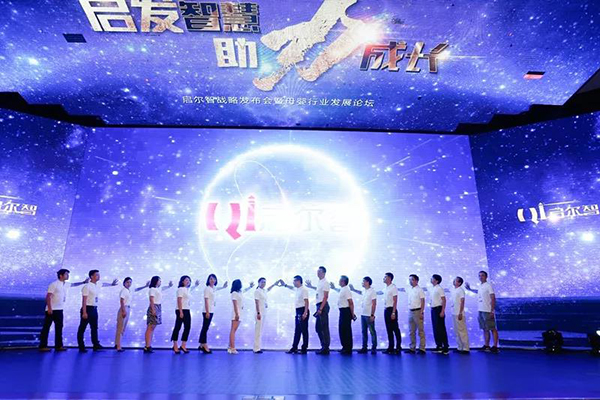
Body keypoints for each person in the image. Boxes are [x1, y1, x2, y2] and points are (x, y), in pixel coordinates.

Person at [39, 269, 87, 352]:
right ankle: (42, 346)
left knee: (59, 327)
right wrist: (49, 308)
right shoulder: (54, 284)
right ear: (61, 275)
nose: (68, 276)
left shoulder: (66, 284)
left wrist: (83, 282)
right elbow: (48, 296)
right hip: (51, 310)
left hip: (59, 309)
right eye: (66, 274)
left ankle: (59, 346)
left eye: (68, 274)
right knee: (46, 328)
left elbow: (74, 284)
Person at [77, 270, 118, 352]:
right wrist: (84, 312)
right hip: (87, 308)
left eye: (99, 275)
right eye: (96, 275)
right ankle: (81, 346)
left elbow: (104, 284)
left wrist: (112, 284)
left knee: (94, 328)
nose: (99, 276)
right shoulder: (87, 286)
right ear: (91, 276)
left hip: (94, 309)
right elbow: (84, 300)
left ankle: (96, 345)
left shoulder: (98, 284)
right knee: (82, 328)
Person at [466, 270, 499, 353]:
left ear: (486, 277)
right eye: (479, 275)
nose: (480, 277)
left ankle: (495, 346)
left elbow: (493, 298)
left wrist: (492, 310)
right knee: (485, 328)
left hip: (487, 310)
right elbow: (478, 292)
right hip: (481, 310)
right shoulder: (481, 286)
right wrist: (470, 289)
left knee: (492, 328)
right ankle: (486, 345)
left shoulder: (488, 286)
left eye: (482, 275)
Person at [115, 277, 149, 352]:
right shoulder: (124, 290)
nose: (129, 284)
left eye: (130, 282)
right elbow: (122, 301)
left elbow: (137, 289)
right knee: (120, 328)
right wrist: (123, 310)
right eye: (127, 282)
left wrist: (145, 286)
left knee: (122, 328)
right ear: (124, 283)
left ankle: (118, 344)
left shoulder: (129, 290)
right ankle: (118, 346)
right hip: (124, 309)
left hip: (127, 308)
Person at [199, 274, 228, 354]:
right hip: (207, 311)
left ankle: (201, 345)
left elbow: (217, 289)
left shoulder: (213, 288)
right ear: (208, 280)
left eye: (214, 279)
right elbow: (206, 300)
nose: (212, 280)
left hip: (211, 310)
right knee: (205, 328)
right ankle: (205, 345)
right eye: (211, 279)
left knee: (205, 328)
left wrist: (223, 287)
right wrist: (207, 311)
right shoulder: (207, 289)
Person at [170, 276, 200, 354]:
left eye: (189, 280)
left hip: (187, 309)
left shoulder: (187, 289)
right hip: (180, 310)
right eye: (186, 280)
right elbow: (179, 300)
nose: (188, 281)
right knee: (178, 327)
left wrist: (196, 285)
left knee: (187, 327)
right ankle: (175, 345)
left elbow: (191, 289)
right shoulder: (180, 289)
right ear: (182, 281)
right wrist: (180, 312)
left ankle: (183, 345)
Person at [144, 276, 173, 353]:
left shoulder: (157, 289)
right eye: (159, 281)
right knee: (150, 327)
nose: (160, 282)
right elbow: (151, 299)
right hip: (154, 307)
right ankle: (147, 346)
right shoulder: (152, 289)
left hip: (158, 307)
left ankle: (149, 345)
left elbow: (163, 288)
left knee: (152, 327)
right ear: (156, 281)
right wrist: (153, 309)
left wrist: (169, 285)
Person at [349, 276, 378, 354]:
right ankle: (364, 347)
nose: (362, 283)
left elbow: (374, 304)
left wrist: (372, 315)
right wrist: (353, 289)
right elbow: (360, 292)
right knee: (364, 332)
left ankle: (374, 348)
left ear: (367, 282)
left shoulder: (372, 291)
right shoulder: (364, 290)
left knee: (372, 332)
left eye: (363, 281)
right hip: (363, 314)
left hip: (369, 315)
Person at [305, 266, 330, 355]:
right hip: (319, 305)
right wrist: (311, 286)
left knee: (324, 328)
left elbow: (325, 297)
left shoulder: (326, 282)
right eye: (317, 272)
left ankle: (326, 348)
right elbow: (319, 291)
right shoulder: (320, 282)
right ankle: (324, 346)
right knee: (318, 328)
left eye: (319, 272)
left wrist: (321, 308)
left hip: (322, 306)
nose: (317, 273)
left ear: (323, 273)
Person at [281, 276, 309, 354]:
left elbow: (306, 301)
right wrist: (285, 285)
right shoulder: (297, 289)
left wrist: (305, 312)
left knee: (304, 330)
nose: (293, 283)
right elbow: (291, 288)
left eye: (294, 281)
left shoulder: (304, 289)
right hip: (298, 311)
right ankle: (294, 348)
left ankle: (304, 348)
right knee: (297, 330)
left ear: (298, 281)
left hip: (303, 310)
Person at [330, 276, 356, 354]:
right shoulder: (343, 289)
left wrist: (352, 314)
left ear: (343, 281)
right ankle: (344, 347)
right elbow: (339, 291)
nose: (338, 281)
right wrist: (334, 288)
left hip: (346, 311)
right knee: (342, 329)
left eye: (340, 280)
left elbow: (351, 303)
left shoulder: (347, 290)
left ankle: (348, 348)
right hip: (342, 311)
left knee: (346, 330)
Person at [253, 277, 277, 354]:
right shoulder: (257, 291)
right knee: (258, 331)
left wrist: (274, 284)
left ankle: (258, 347)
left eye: (264, 282)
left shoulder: (263, 291)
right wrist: (258, 313)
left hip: (264, 312)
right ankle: (256, 348)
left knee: (260, 330)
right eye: (262, 282)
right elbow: (256, 302)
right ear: (258, 283)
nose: (263, 283)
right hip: (259, 313)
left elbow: (268, 289)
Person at [380, 272, 401, 354]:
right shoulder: (385, 288)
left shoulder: (393, 287)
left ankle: (398, 347)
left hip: (392, 310)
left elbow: (395, 300)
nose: (383, 278)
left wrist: (393, 312)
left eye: (385, 277)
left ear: (389, 278)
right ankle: (390, 347)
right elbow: (378, 293)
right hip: (386, 310)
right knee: (389, 329)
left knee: (395, 329)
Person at [406, 274, 426, 354]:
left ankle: (422, 348)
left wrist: (421, 312)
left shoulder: (420, 290)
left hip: (418, 311)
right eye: (409, 280)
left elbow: (423, 301)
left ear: (416, 281)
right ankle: (412, 347)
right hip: (410, 311)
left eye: (412, 280)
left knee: (420, 330)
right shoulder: (410, 289)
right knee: (411, 331)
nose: (410, 281)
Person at [430, 274, 449, 355]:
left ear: (437, 280)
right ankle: (439, 346)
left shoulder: (439, 288)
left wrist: (442, 311)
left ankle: (445, 347)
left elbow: (444, 300)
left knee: (441, 328)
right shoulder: (433, 288)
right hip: (433, 309)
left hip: (438, 309)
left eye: (432, 278)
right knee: (436, 328)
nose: (431, 279)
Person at [452, 276, 470, 353]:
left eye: (455, 281)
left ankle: (466, 348)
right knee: (456, 331)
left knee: (462, 330)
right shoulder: (454, 290)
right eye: (454, 280)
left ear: (459, 283)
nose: (454, 281)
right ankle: (460, 347)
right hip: (454, 312)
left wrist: (460, 312)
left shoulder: (461, 290)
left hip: (459, 313)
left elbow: (462, 302)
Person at [228, 279, 244, 354]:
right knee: (233, 330)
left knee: (234, 330)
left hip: (239, 312)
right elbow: (235, 304)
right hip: (236, 313)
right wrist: (237, 314)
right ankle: (232, 348)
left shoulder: (239, 293)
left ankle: (230, 347)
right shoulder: (234, 293)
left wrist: (250, 287)